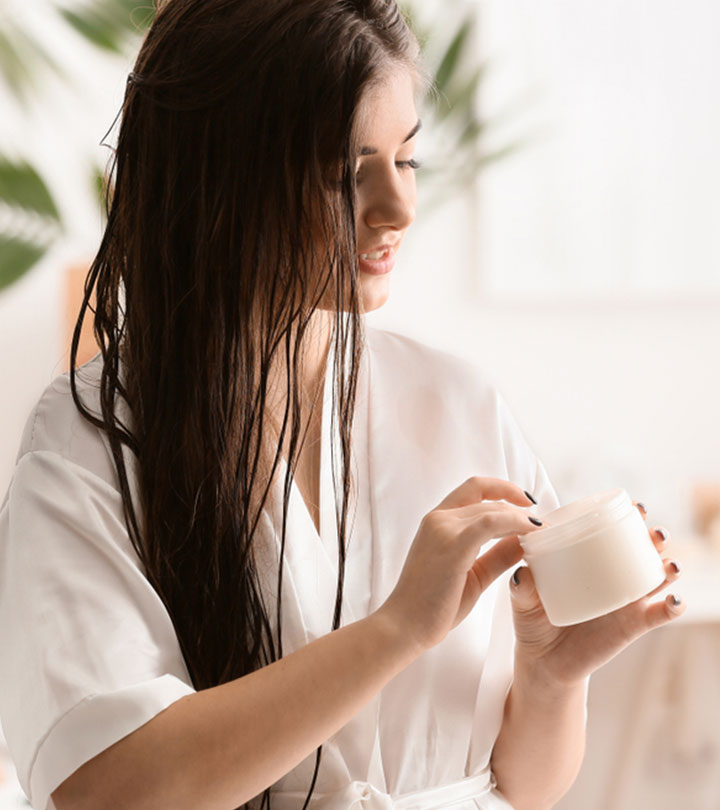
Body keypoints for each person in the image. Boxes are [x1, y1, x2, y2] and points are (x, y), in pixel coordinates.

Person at [0, 1, 685, 809]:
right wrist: (396, 630)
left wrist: (551, 675)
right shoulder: (95, 439)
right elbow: (110, 789)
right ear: (219, 178)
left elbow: (517, 786)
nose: (397, 211)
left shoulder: (459, 402)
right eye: (344, 175)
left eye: (408, 161)